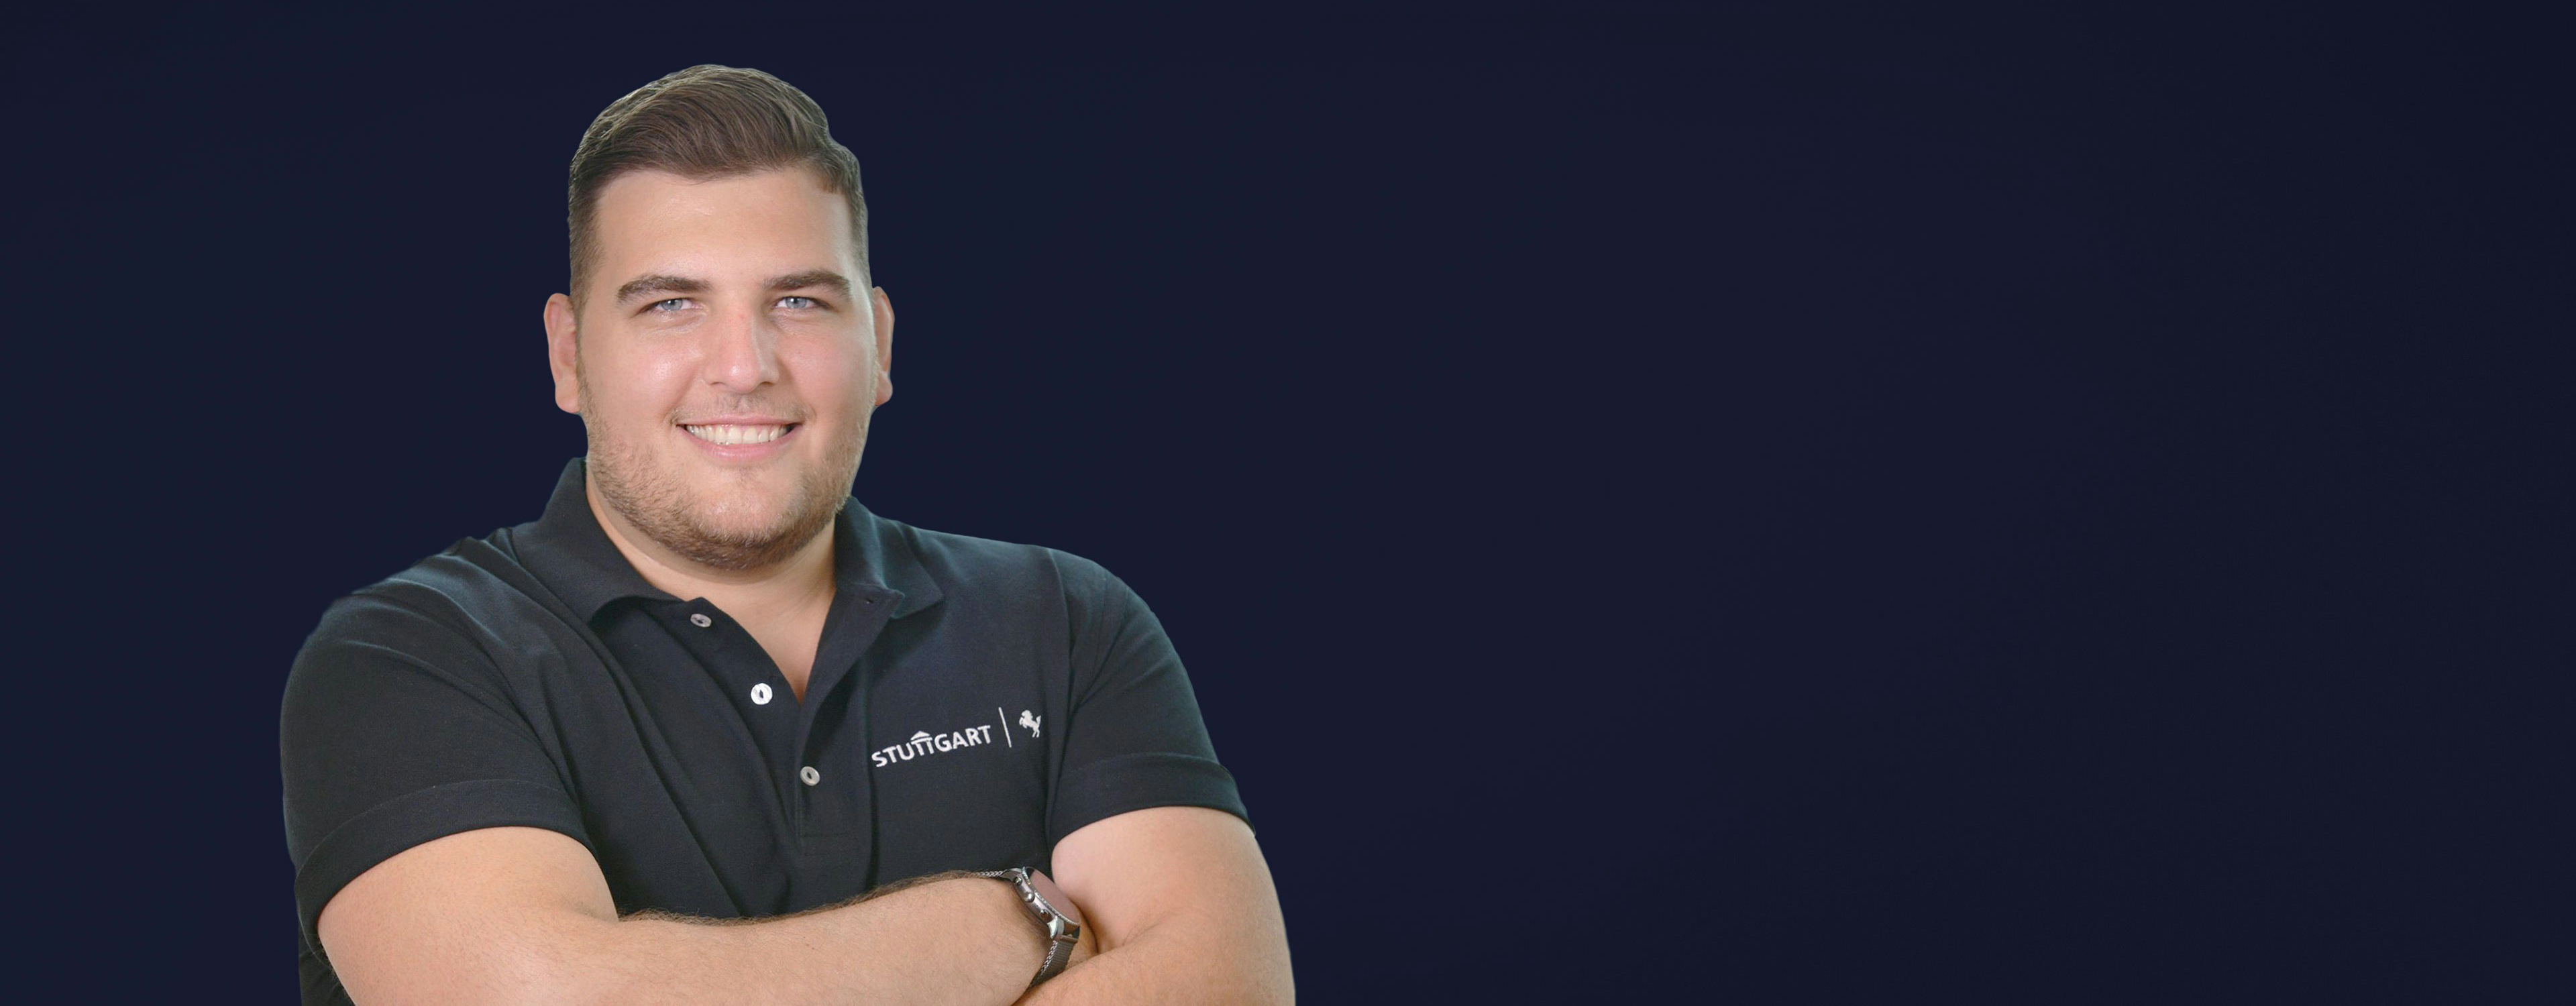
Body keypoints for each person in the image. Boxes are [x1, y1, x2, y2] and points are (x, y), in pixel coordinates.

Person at [279, 64, 1292, 1005]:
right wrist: (994, 927)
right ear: (570, 356)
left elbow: (1229, 987)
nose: (743, 366)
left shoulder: (1066, 622)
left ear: (880, 344)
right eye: (672, 304)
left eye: (799, 301)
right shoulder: (410, 657)